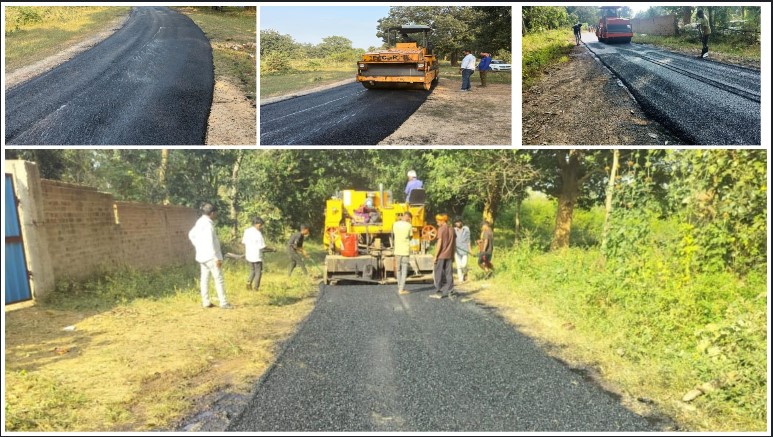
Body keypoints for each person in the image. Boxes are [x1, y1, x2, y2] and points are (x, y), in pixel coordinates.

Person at [188, 203, 231, 309]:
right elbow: (210, 242)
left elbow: (191, 234)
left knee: (204, 279)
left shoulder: (200, 221)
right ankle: (223, 302)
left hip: (202, 255)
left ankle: (206, 302)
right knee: (218, 279)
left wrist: (198, 246)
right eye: (215, 213)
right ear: (212, 213)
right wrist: (216, 258)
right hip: (211, 256)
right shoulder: (208, 224)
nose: (216, 215)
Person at [430, 213, 455, 299]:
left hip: (441, 255)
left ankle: (439, 292)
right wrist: (452, 255)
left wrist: (435, 256)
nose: (437, 223)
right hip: (449, 255)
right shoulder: (452, 229)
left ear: (442, 221)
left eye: (437, 221)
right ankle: (450, 291)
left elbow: (439, 243)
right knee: (449, 273)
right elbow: (454, 244)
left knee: (439, 273)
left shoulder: (441, 229)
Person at [242, 216, 267, 291]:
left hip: (249, 254)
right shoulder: (258, 234)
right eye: (260, 225)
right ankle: (256, 287)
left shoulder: (247, 231)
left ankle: (248, 283)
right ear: (256, 224)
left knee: (252, 270)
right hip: (256, 255)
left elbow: (244, 242)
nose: (261, 227)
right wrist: (272, 249)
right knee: (258, 271)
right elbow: (262, 247)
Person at [392, 211, 413, 295]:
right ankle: (401, 289)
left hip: (397, 250)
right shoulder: (409, 225)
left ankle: (399, 286)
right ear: (408, 218)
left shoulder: (395, 224)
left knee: (398, 269)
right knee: (404, 269)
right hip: (405, 251)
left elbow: (394, 234)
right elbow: (410, 236)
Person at [453, 217, 471, 283]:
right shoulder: (454, 230)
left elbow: (468, 240)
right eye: (456, 222)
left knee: (464, 264)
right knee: (458, 265)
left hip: (464, 249)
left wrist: (470, 250)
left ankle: (465, 273)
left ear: (461, 222)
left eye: (459, 221)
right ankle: (460, 279)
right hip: (457, 250)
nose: (458, 223)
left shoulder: (466, 229)